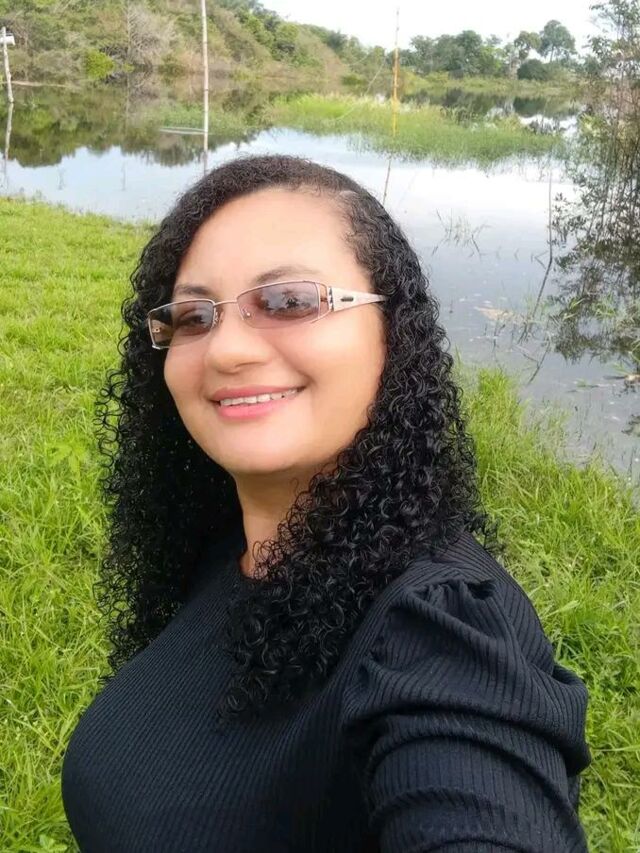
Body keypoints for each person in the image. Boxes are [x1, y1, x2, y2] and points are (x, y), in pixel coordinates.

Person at [61, 153, 592, 852]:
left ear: (392, 332)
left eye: (288, 301)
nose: (226, 350)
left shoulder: (443, 630)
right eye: (194, 316)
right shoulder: (230, 546)